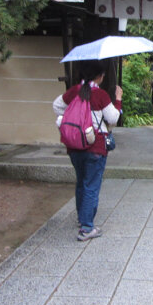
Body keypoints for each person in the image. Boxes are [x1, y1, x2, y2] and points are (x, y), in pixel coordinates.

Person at [53, 61, 122, 241]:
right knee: (91, 185)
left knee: (81, 182)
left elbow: (56, 106)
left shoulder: (74, 91)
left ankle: (81, 218)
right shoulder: (100, 95)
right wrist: (119, 98)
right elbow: (113, 118)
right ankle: (86, 228)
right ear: (99, 76)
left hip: (74, 146)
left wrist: (73, 113)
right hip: (95, 147)